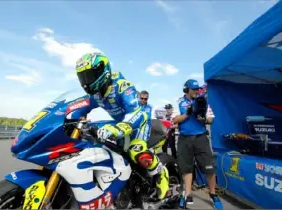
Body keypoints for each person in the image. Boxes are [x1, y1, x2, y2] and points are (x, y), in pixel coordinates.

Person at [71, 52, 170, 200]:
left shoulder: (123, 86)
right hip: (118, 126)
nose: (86, 81)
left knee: (136, 151)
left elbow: (136, 112)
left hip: (138, 123)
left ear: (103, 71)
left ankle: (161, 172)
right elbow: (77, 108)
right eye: (83, 77)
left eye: (90, 75)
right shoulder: (95, 95)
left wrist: (118, 128)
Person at [173, 79, 223, 210]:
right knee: (186, 168)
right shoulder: (179, 101)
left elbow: (211, 119)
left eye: (197, 89)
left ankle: (213, 194)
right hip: (185, 139)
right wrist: (187, 114)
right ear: (186, 89)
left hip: (201, 138)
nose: (196, 91)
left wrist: (203, 119)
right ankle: (187, 194)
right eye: (194, 89)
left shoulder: (203, 101)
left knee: (209, 168)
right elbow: (175, 120)